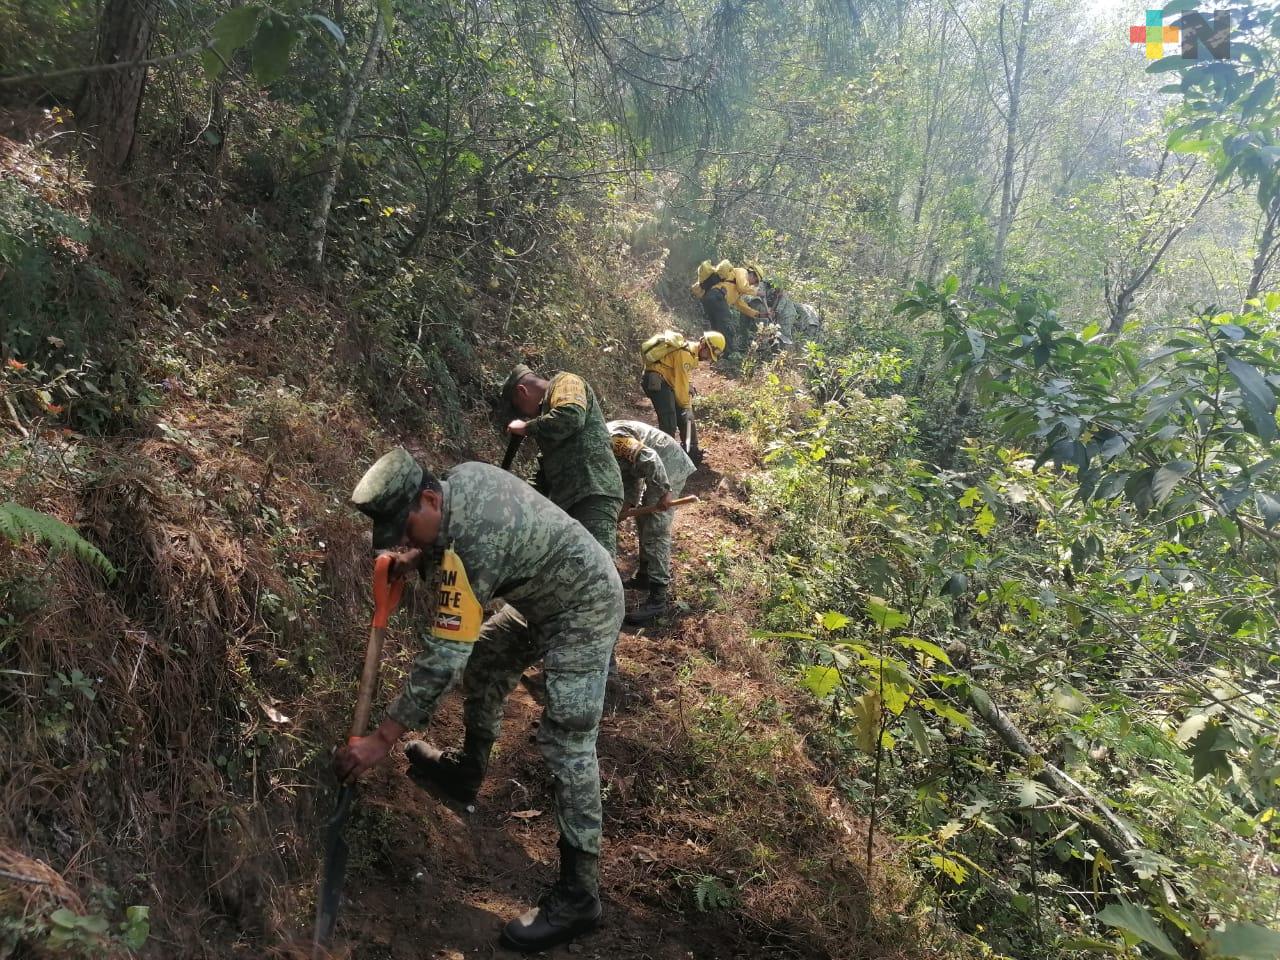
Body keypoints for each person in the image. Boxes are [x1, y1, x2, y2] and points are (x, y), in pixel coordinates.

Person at [335, 448, 624, 952]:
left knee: (568, 742)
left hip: (586, 605)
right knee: (487, 659)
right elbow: (447, 542)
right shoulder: (458, 485)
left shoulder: (471, 546)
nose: (403, 540)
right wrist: (416, 555)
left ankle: (581, 897)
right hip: (544, 597)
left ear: (428, 498)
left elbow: (444, 657)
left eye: (406, 529)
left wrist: (382, 740)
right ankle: (468, 770)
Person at [501, 364, 624, 559]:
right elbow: (545, 468)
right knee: (578, 570)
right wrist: (520, 498)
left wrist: (527, 427)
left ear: (522, 391)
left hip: (594, 489)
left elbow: (572, 417)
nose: (525, 416)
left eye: (519, 409)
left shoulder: (565, 382)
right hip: (569, 500)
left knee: (599, 566)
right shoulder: (547, 418)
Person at [607, 420, 696, 625]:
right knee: (642, 519)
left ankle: (658, 597)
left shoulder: (613, 440)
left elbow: (649, 457)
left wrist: (665, 490)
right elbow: (630, 474)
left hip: (668, 463)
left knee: (656, 528)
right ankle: (645, 575)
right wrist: (627, 506)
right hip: (651, 467)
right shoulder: (600, 446)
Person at [639, 329, 724, 461]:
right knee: (669, 420)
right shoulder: (685, 354)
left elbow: (681, 377)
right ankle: (664, 456)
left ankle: (690, 451)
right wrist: (687, 408)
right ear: (703, 345)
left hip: (666, 380)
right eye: (709, 354)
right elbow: (680, 386)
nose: (707, 359)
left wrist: (687, 393)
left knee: (682, 414)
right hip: (656, 381)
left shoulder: (690, 353)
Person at [690, 259, 767, 358]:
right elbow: (743, 287)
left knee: (717, 329)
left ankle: (711, 352)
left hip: (711, 299)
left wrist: (758, 314)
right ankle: (730, 356)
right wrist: (757, 292)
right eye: (755, 281)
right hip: (717, 296)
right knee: (727, 327)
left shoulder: (736, 289)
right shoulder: (742, 272)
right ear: (752, 274)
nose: (753, 284)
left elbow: (741, 305)